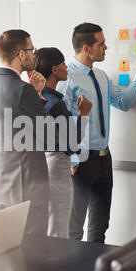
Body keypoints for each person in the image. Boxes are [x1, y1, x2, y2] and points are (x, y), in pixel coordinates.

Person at [57, 23, 136, 243]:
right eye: (101, 44)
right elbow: (59, 122)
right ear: (86, 48)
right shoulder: (67, 78)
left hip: (103, 159)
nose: (106, 47)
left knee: (99, 226)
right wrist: (73, 159)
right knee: (74, 229)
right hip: (80, 160)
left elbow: (122, 102)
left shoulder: (101, 76)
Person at [0, 29, 50, 236]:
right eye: (32, 50)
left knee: (5, 250)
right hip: (28, 189)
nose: (34, 55)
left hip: (3, 186)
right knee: (34, 255)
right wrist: (39, 96)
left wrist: (35, 94)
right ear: (21, 54)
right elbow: (47, 136)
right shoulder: (23, 90)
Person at [34, 47, 93, 238]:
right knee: (59, 228)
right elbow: (72, 143)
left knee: (50, 223)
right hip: (58, 165)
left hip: (41, 165)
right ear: (54, 69)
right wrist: (83, 114)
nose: (66, 67)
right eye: (63, 64)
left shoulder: (37, 99)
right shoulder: (56, 104)